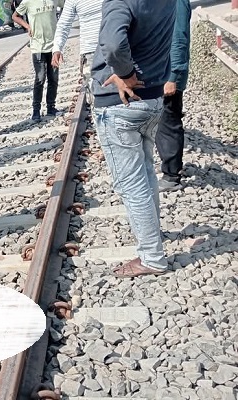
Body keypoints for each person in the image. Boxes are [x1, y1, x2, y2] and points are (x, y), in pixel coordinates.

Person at [90, 0, 176, 278]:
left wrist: (125, 74)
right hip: (152, 99)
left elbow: (114, 44)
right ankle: (153, 237)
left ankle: (152, 257)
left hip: (121, 104)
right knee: (147, 175)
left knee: (132, 185)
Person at [155, 0, 191, 193]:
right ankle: (170, 169)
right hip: (163, 71)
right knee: (164, 121)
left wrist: (173, 75)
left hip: (169, 73)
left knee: (168, 122)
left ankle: (171, 176)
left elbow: (179, 37)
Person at [13, 0, 63, 122]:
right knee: (40, 78)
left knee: (53, 78)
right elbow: (15, 16)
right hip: (38, 46)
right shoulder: (28, 1)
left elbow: (67, 7)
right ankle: (36, 110)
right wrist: (27, 26)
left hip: (54, 46)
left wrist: (61, 24)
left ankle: (51, 107)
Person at [51, 0, 103, 86]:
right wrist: (57, 48)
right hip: (90, 53)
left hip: (117, 49)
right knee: (95, 93)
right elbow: (64, 24)